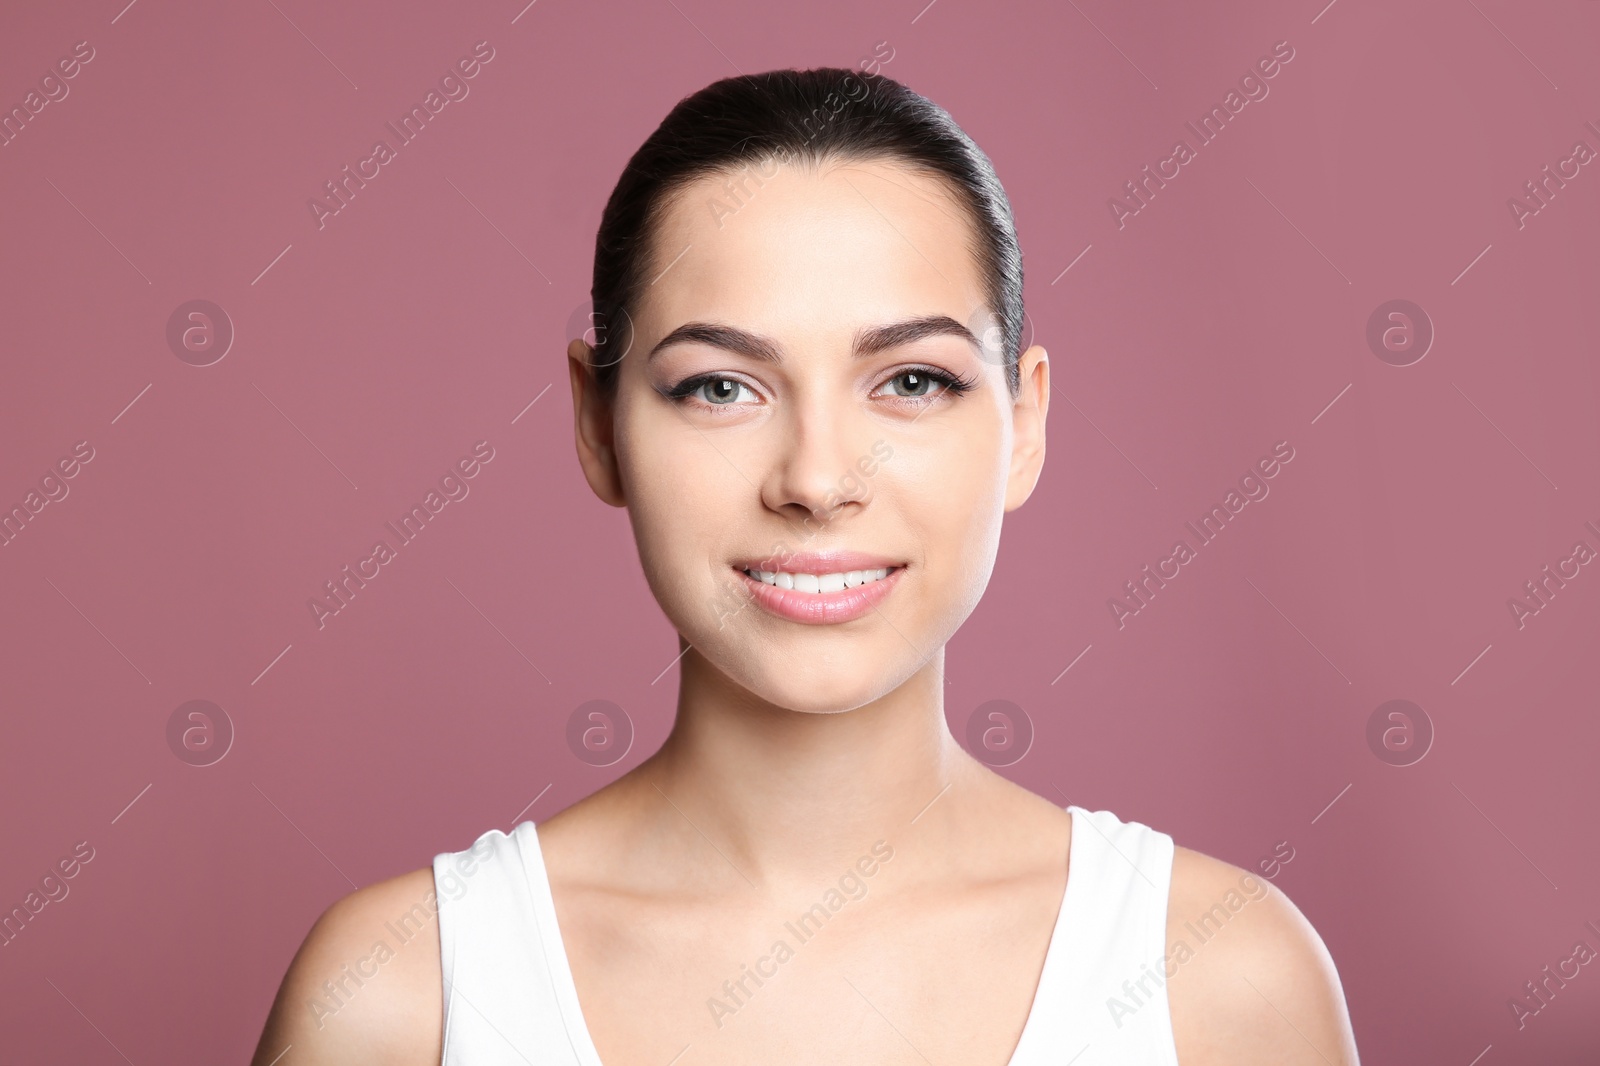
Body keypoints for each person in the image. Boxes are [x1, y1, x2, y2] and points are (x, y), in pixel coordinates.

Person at [252, 66, 1360, 1065]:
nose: (818, 478)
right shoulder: (401, 999)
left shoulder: (1219, 982)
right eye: (720, 387)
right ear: (598, 424)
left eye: (911, 381)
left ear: (1022, 422)